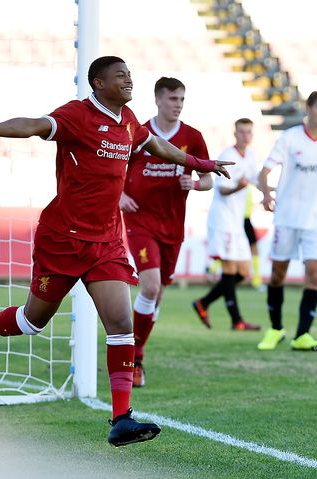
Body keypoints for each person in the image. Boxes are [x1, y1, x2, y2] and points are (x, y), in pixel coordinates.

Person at [0, 56, 231, 446]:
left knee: (120, 324)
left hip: (106, 242)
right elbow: (34, 125)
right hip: (62, 240)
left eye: (130, 74)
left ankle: (121, 419)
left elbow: (160, 148)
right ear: (99, 84)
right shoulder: (77, 115)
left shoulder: (130, 121)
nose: (129, 80)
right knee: (34, 322)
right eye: (120, 76)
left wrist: (203, 163)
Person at [119, 77, 212, 388]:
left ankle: (138, 350)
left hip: (172, 226)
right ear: (158, 100)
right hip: (139, 220)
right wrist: (120, 195)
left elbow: (209, 178)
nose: (178, 105)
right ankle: (134, 359)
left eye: (182, 99)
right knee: (150, 286)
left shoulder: (193, 137)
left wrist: (196, 184)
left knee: (157, 294)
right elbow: (114, 168)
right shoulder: (139, 133)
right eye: (173, 99)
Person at [256, 90, 317, 352]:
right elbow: (264, 172)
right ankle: (276, 329)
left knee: (314, 274)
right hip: (287, 217)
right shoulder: (290, 138)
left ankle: (302, 335)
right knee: (278, 274)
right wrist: (266, 193)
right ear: (308, 108)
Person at [191, 118, 262, 331]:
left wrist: (271, 192)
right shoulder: (227, 156)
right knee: (230, 270)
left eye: (249, 132)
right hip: (223, 220)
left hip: (236, 221)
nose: (245, 136)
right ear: (235, 133)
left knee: (242, 272)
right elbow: (221, 189)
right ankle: (236, 320)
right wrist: (239, 187)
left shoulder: (250, 156)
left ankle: (203, 302)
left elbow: (256, 180)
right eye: (242, 132)